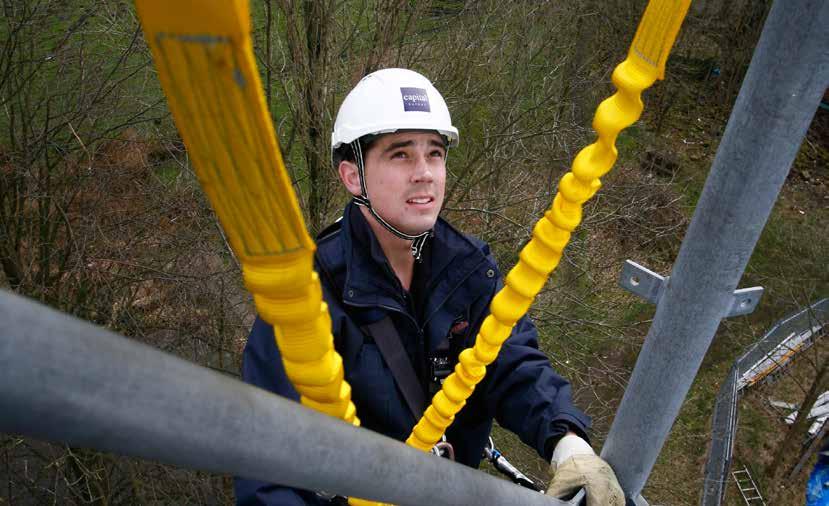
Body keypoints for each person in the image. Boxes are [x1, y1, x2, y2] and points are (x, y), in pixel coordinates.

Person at [234, 68, 624, 506]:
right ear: (353, 176)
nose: (425, 173)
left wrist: (567, 442)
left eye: (435, 154)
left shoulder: (469, 270)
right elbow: (268, 467)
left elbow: (511, 364)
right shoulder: (306, 299)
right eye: (401, 155)